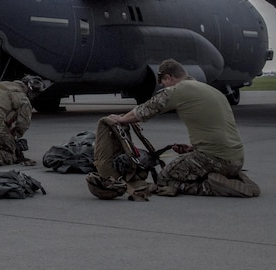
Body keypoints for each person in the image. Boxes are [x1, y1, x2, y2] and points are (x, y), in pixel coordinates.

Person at [103, 59, 259, 197]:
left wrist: (121, 119)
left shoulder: (177, 90)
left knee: (165, 178)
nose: (163, 86)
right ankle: (234, 176)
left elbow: (147, 109)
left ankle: (213, 186)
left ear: (168, 78)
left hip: (215, 159)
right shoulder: (211, 90)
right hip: (236, 158)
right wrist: (192, 149)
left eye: (163, 82)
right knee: (188, 166)